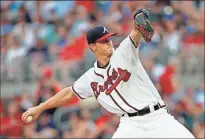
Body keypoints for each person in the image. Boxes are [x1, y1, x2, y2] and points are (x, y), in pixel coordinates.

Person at [22, 8, 195, 138]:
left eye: (109, 39)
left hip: (157, 117)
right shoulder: (91, 77)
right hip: (130, 125)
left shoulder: (124, 52)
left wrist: (138, 18)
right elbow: (69, 93)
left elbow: (135, 32)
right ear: (92, 46)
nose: (109, 43)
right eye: (103, 41)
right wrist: (39, 108)